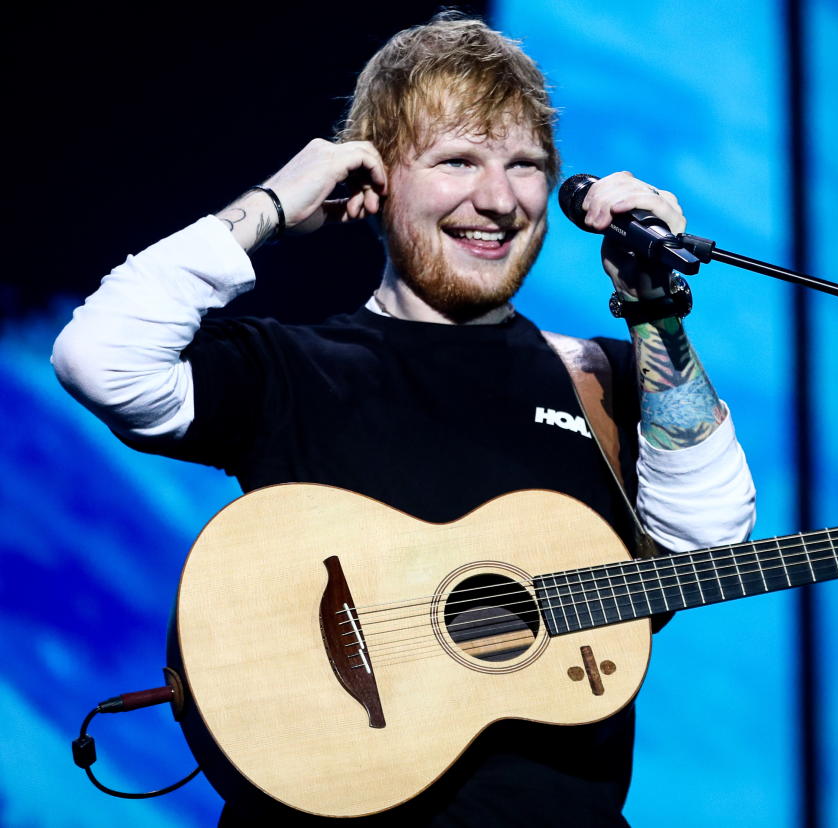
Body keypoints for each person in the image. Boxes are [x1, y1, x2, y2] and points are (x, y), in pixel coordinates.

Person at [52, 12, 755, 827]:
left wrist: (655, 305)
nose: (497, 200)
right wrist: (272, 205)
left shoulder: (604, 374)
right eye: (458, 160)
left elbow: (709, 543)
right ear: (372, 181)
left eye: (524, 166)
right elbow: (99, 360)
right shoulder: (294, 368)